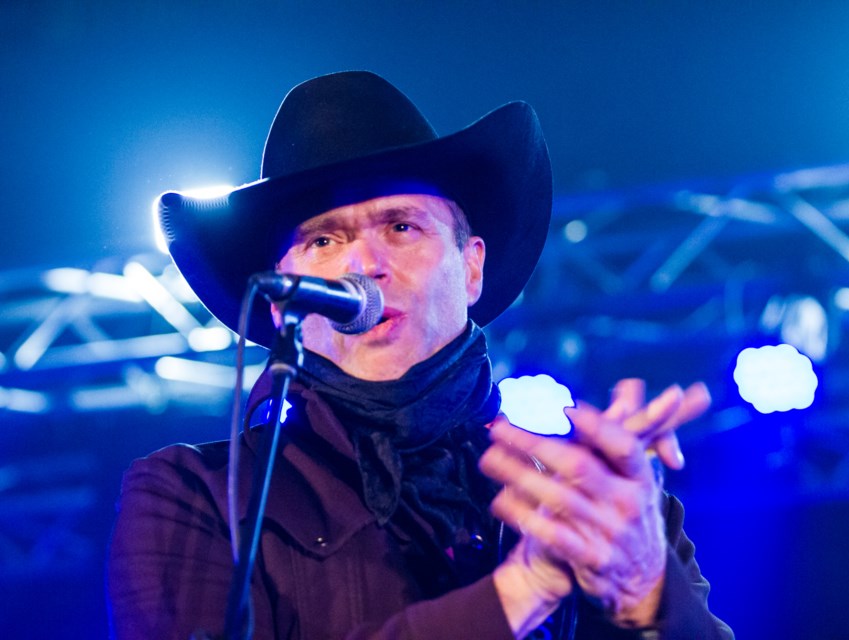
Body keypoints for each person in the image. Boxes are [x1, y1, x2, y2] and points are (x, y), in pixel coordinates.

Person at [107, 71, 733, 639]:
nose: (364, 265)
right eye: (324, 240)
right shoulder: (195, 496)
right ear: (279, 303)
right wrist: (525, 587)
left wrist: (646, 591)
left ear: (472, 268)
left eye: (401, 226)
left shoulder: (590, 499)